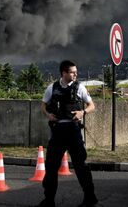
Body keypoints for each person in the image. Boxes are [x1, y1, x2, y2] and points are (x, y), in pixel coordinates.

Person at [38, 60, 98, 207]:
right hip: (58, 131)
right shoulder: (52, 88)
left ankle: (90, 198)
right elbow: (43, 105)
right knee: (51, 167)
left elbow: (92, 105)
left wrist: (82, 112)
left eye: (76, 71)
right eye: (72, 72)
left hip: (73, 131)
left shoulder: (80, 87)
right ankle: (49, 200)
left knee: (80, 166)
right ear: (63, 73)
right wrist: (48, 115)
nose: (75, 74)